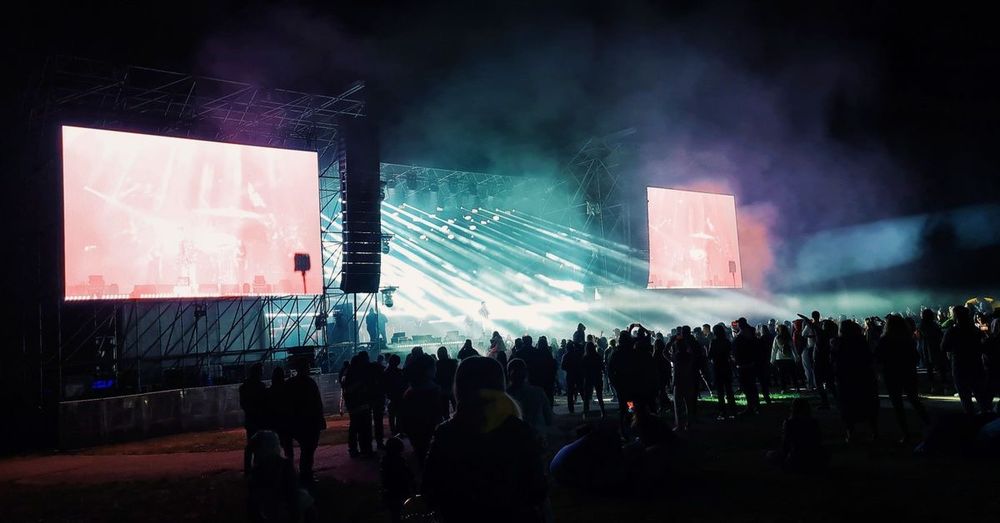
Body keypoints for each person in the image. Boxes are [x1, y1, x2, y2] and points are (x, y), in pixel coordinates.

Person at [422, 357, 548, 523]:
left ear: (459, 387)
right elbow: (537, 489)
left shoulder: (446, 433)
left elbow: (430, 490)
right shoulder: (519, 430)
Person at [876, 314, 930, 441]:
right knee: (914, 400)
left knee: (897, 404)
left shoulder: (885, 340)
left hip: (891, 374)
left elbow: (878, 357)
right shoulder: (907, 339)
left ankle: (905, 433)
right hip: (908, 372)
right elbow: (916, 357)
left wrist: (880, 371)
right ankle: (929, 424)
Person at [247, 430, 315, 523]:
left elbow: (253, 498)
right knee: (308, 505)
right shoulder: (285, 465)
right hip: (284, 506)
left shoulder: (256, 471)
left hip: (267, 509)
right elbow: (292, 490)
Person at [831, 320, 879, 443]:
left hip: (846, 378)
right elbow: (869, 358)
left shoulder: (838, 343)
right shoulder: (861, 341)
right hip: (863, 377)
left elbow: (834, 360)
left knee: (847, 406)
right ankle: (874, 432)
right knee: (867, 404)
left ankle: (850, 432)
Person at [942, 306, 992, 414]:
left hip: (959, 366)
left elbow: (943, 347)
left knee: (965, 396)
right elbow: (984, 346)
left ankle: (971, 418)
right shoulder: (975, 330)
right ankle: (986, 416)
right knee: (980, 393)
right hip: (976, 365)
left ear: (956, 316)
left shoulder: (952, 331)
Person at [284, 358, 326, 483]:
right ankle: (305, 473)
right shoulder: (309, 383)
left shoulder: (291, 383)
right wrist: (320, 418)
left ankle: (301, 473)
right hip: (309, 420)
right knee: (309, 448)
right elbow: (317, 403)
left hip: (297, 421)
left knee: (305, 448)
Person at [400, 352, 443, 468]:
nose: (436, 369)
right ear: (427, 370)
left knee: (420, 452)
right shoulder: (433, 390)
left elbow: (405, 416)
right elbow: (437, 413)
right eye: (434, 367)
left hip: (415, 428)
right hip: (428, 428)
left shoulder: (410, 391)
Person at [766, 399, 828, 473]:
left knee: (770, 455)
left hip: (795, 457)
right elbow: (818, 440)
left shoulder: (789, 422)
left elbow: (786, 444)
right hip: (814, 456)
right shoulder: (813, 422)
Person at [507, 358, 553, 445]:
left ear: (509, 375)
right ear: (526, 374)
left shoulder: (505, 396)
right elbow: (549, 419)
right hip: (537, 438)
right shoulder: (538, 392)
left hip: (513, 440)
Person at [343, 352, 374, 458]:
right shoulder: (355, 374)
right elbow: (349, 390)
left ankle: (360, 449)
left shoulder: (350, 372)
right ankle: (362, 449)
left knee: (358, 428)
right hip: (358, 405)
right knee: (361, 428)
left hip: (357, 405)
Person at [240, 363, 268, 474]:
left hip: (252, 419)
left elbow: (244, 404)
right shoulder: (260, 386)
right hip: (258, 419)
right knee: (257, 445)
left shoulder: (245, 386)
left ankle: (249, 469)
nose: (262, 373)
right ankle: (256, 467)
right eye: (260, 371)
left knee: (251, 445)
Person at [380, 436, 414, 523]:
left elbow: (383, 477)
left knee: (394, 511)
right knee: (403, 507)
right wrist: (412, 483)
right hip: (401, 488)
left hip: (390, 490)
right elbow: (407, 474)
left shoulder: (384, 461)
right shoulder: (400, 461)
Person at [709, 324, 736, 419]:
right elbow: (731, 353)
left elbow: (710, 355)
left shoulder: (713, 342)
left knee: (720, 392)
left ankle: (722, 412)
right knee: (729, 390)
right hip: (726, 366)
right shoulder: (727, 341)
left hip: (717, 367)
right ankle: (733, 411)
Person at [733, 318, 760, 415]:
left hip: (743, 364)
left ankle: (751, 406)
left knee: (747, 386)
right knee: (751, 386)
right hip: (750, 363)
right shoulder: (751, 333)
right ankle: (755, 406)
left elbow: (737, 349)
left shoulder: (742, 336)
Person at [918, 308, 948, 394]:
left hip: (928, 348)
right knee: (939, 367)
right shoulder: (933, 324)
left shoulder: (922, 325)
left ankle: (934, 387)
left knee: (931, 368)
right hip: (934, 347)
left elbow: (922, 336)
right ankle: (942, 386)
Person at [582, 341, 607, 419]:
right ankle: (603, 411)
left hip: (588, 378)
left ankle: (585, 413)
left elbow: (582, 369)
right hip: (597, 377)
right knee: (599, 396)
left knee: (586, 397)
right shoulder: (597, 356)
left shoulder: (585, 357)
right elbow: (602, 367)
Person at [771, 324, 799, 392]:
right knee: (793, 374)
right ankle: (796, 387)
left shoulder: (777, 338)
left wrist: (772, 359)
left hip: (780, 359)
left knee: (782, 375)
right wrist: (796, 357)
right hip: (790, 358)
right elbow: (793, 348)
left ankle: (783, 389)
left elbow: (774, 349)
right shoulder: (789, 338)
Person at [383, 354, 406, 435]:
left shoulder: (386, 371)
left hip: (391, 395)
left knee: (392, 415)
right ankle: (399, 430)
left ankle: (394, 430)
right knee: (398, 414)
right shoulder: (399, 372)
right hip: (398, 395)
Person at [562, 341, 585, 413]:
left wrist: (569, 368)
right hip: (578, 374)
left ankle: (571, 409)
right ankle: (586, 406)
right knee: (581, 390)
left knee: (570, 392)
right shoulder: (578, 354)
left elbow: (563, 366)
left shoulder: (566, 355)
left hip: (570, 375)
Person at [435, 346, 459, 417]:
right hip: (452, 387)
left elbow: (436, 377)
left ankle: (447, 420)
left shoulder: (437, 364)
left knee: (445, 410)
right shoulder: (453, 362)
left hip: (442, 389)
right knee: (456, 407)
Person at [756, 323, 774, 404]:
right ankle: (768, 389)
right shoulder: (771, 337)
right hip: (769, 357)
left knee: (763, 378)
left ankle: (765, 395)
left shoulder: (761, 339)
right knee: (767, 374)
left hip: (762, 360)